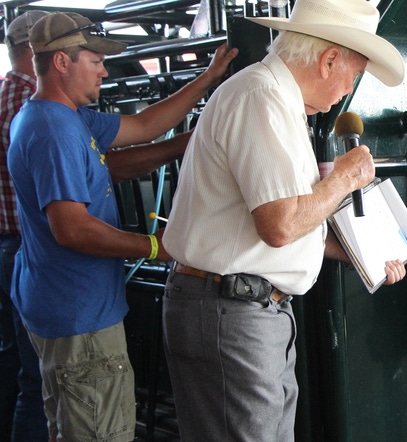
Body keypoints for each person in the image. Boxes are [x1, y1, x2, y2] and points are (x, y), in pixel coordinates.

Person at [160, 0, 407, 439]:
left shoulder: (276, 101)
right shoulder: (260, 96)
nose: (347, 90)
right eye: (352, 75)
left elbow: (286, 223)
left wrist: (360, 253)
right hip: (230, 312)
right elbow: (280, 225)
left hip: (246, 310)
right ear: (329, 59)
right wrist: (344, 179)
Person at [7, 11, 237, 442]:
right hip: (80, 317)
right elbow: (72, 229)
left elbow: (145, 126)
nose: (105, 70)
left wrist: (206, 88)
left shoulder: (60, 117)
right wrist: (157, 246)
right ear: (61, 62)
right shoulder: (54, 130)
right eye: (95, 60)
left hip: (60, 303)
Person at [0, 10, 49, 442]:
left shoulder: (2, 93)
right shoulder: (29, 103)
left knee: (22, 369)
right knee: (38, 379)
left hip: (9, 246)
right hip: (27, 248)